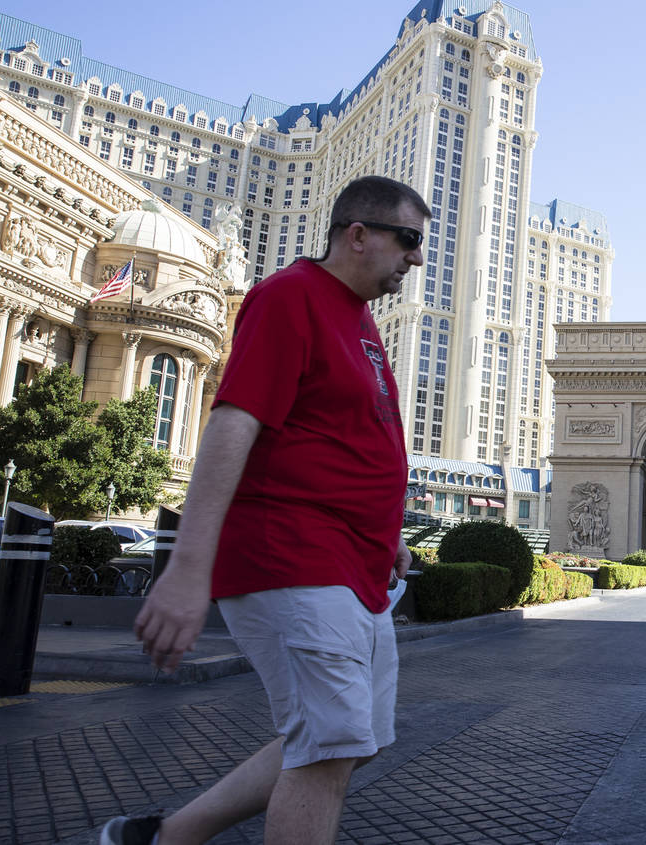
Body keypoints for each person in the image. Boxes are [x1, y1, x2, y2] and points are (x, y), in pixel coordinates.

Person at [100, 176, 428, 845]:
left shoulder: (361, 322)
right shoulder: (289, 297)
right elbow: (232, 425)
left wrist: (386, 532)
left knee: (352, 739)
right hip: (292, 554)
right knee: (331, 742)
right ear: (357, 234)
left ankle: (167, 835)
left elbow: (348, 439)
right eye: (409, 240)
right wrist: (189, 571)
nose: (417, 259)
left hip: (353, 565)